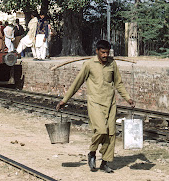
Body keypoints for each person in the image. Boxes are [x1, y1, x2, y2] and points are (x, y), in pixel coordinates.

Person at [56, 40, 135, 173]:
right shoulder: (89, 65)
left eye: (107, 52)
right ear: (97, 51)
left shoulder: (112, 64)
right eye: (102, 52)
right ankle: (92, 153)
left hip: (110, 103)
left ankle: (105, 162)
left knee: (111, 134)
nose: (105, 55)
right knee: (100, 130)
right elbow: (77, 83)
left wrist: (128, 98)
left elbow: (118, 83)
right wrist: (64, 100)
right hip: (95, 103)